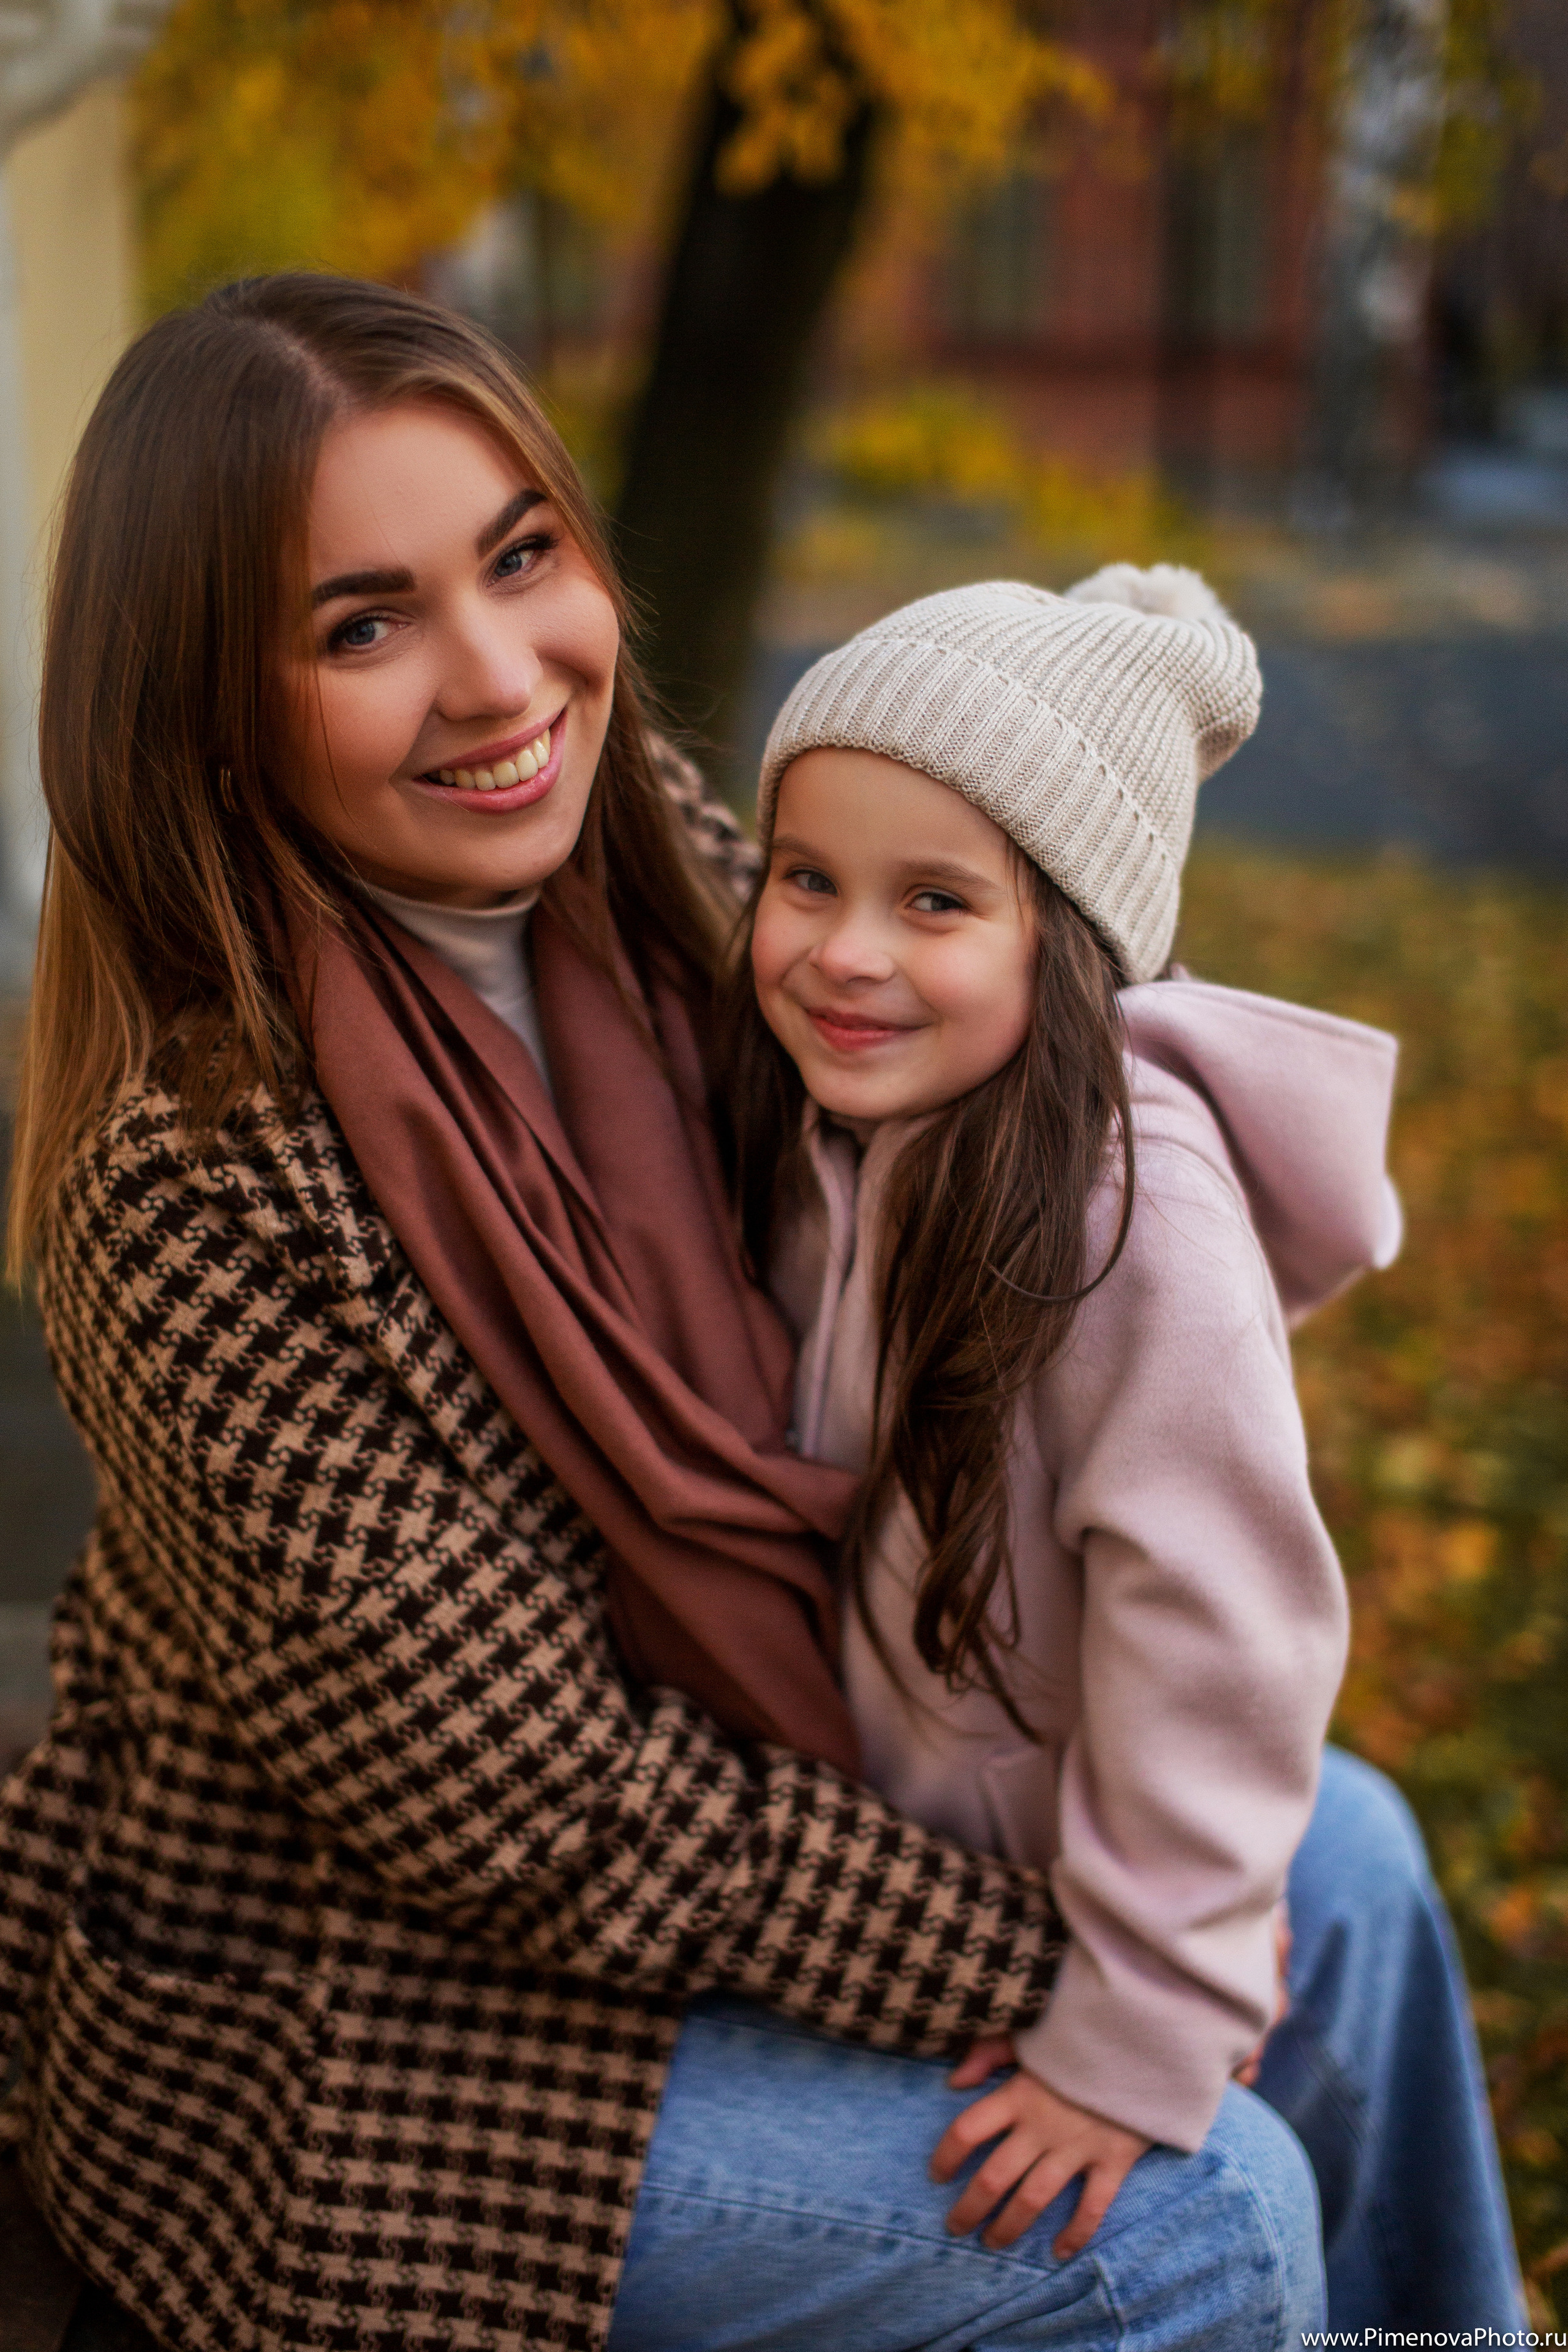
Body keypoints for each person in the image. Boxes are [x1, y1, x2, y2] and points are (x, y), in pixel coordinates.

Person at [0, 274, 1502, 2352]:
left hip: (803, 1736)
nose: (498, 677)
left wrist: (1156, 1948)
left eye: (521, 558)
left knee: (1362, 1873)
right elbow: (535, 1815)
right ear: (204, 703)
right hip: (377, 2009)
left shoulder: (656, 871)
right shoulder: (186, 1185)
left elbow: (1000, 1007)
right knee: (1203, 2219)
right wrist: (1074, 1976)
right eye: (362, 627)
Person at [658, 567, 1525, 2339]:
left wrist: (1141, 2021)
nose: (846, 949)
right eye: (807, 877)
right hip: (957, 1836)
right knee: (1356, 1846)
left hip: (1068, 1848)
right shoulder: (851, 1121)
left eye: (936, 901)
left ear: (1069, 935)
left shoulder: (1125, 1213)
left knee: (1344, 1863)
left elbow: (1225, 1640)